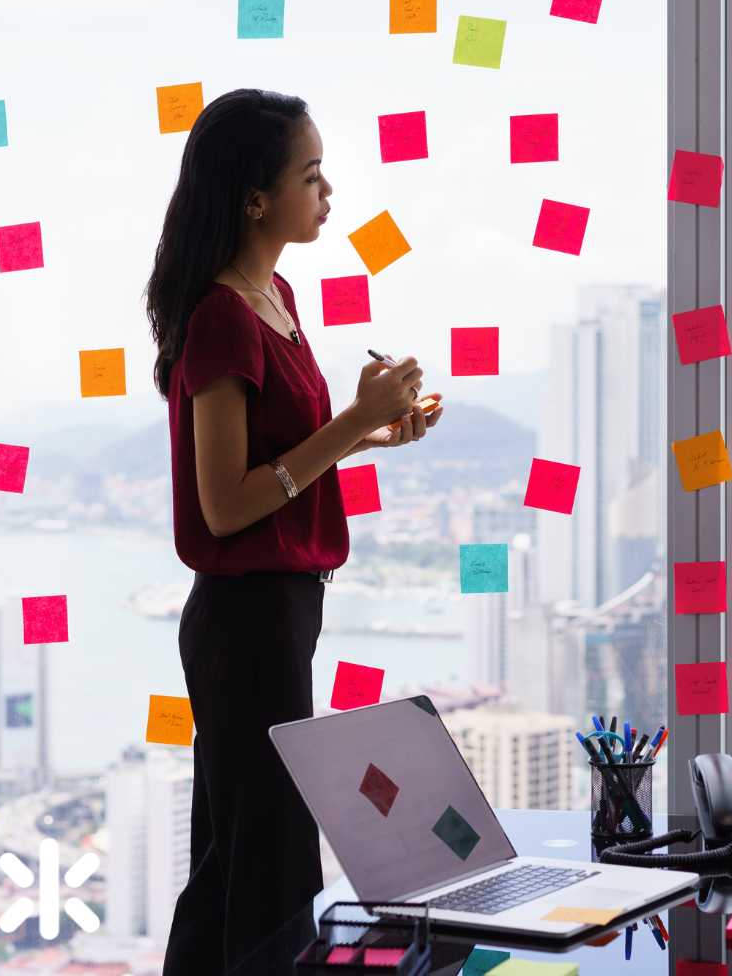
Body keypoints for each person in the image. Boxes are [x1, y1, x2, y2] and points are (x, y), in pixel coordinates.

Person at [143, 87, 444, 974]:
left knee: (242, 854)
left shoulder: (275, 294)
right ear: (254, 199)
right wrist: (354, 422)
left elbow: (282, 458)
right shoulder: (221, 319)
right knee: (263, 860)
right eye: (311, 175)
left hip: (283, 611)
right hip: (244, 620)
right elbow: (227, 504)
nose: (328, 193)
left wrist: (378, 430)